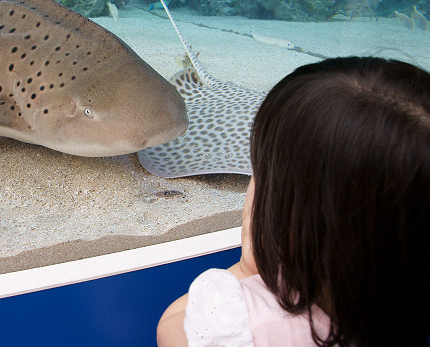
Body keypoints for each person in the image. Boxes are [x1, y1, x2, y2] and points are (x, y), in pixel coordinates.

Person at [157, 57, 430, 346]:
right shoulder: (407, 312)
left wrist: (247, 268)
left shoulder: (232, 325)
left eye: (260, 170)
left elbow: (171, 328)